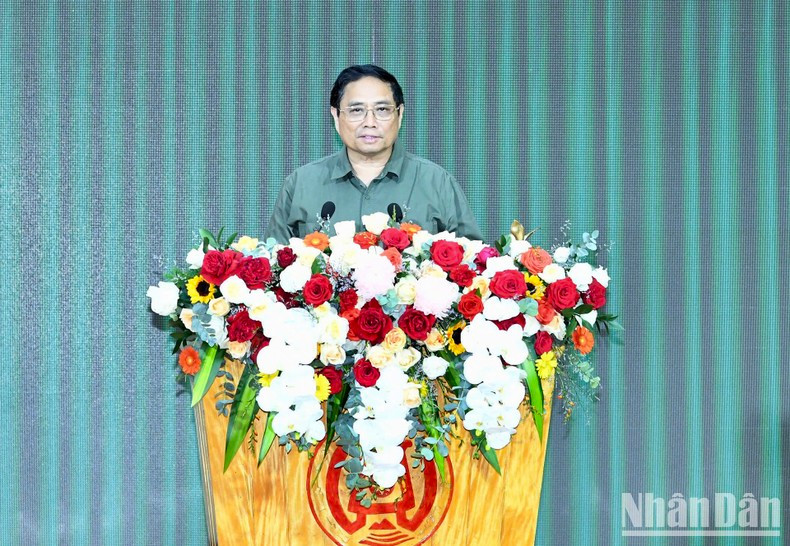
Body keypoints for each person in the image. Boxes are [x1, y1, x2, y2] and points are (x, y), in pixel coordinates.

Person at [264, 64, 483, 243]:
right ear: (336, 116)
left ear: (400, 114)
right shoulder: (301, 184)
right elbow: (273, 266)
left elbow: (471, 266)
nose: (370, 122)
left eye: (382, 110)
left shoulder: (437, 183)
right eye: (356, 110)